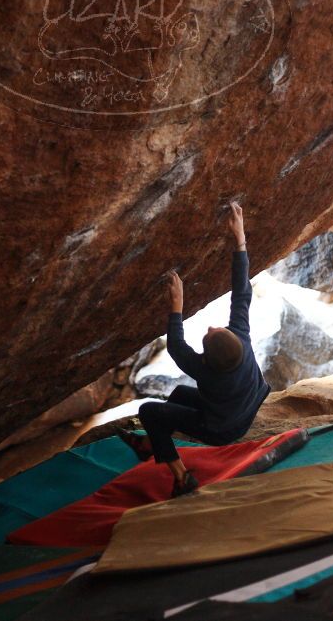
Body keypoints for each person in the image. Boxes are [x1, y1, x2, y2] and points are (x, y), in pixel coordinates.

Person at [118, 201, 271, 497]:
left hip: (225, 428)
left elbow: (175, 346)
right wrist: (239, 238)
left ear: (206, 361)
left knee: (149, 410)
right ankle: (153, 444)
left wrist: (177, 304)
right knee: (177, 396)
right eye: (217, 330)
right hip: (246, 405)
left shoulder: (208, 370)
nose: (213, 327)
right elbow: (242, 289)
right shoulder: (241, 335)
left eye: (209, 334)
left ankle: (181, 475)